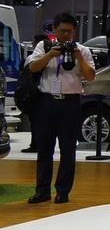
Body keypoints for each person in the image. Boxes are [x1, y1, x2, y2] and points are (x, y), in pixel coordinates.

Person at [25, 13, 95, 205]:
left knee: (68, 149)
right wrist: (50, 55)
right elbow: (32, 68)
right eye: (62, 31)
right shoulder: (44, 46)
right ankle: (42, 191)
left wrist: (79, 57)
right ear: (54, 30)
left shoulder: (83, 50)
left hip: (70, 103)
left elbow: (90, 76)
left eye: (70, 31)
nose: (66, 35)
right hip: (46, 102)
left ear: (75, 31)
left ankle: (63, 192)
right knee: (44, 149)